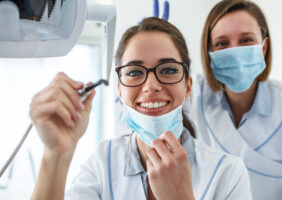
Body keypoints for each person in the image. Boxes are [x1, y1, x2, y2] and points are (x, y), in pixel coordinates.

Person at [30, 17, 252, 200]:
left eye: (168, 70)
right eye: (135, 72)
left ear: (187, 87)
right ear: (119, 90)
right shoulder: (103, 162)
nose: (151, 86)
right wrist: (56, 154)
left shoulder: (227, 173)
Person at [183, 0, 282, 199]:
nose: (235, 52)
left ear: (263, 47)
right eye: (222, 43)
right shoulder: (194, 96)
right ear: (209, 52)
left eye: (246, 40)